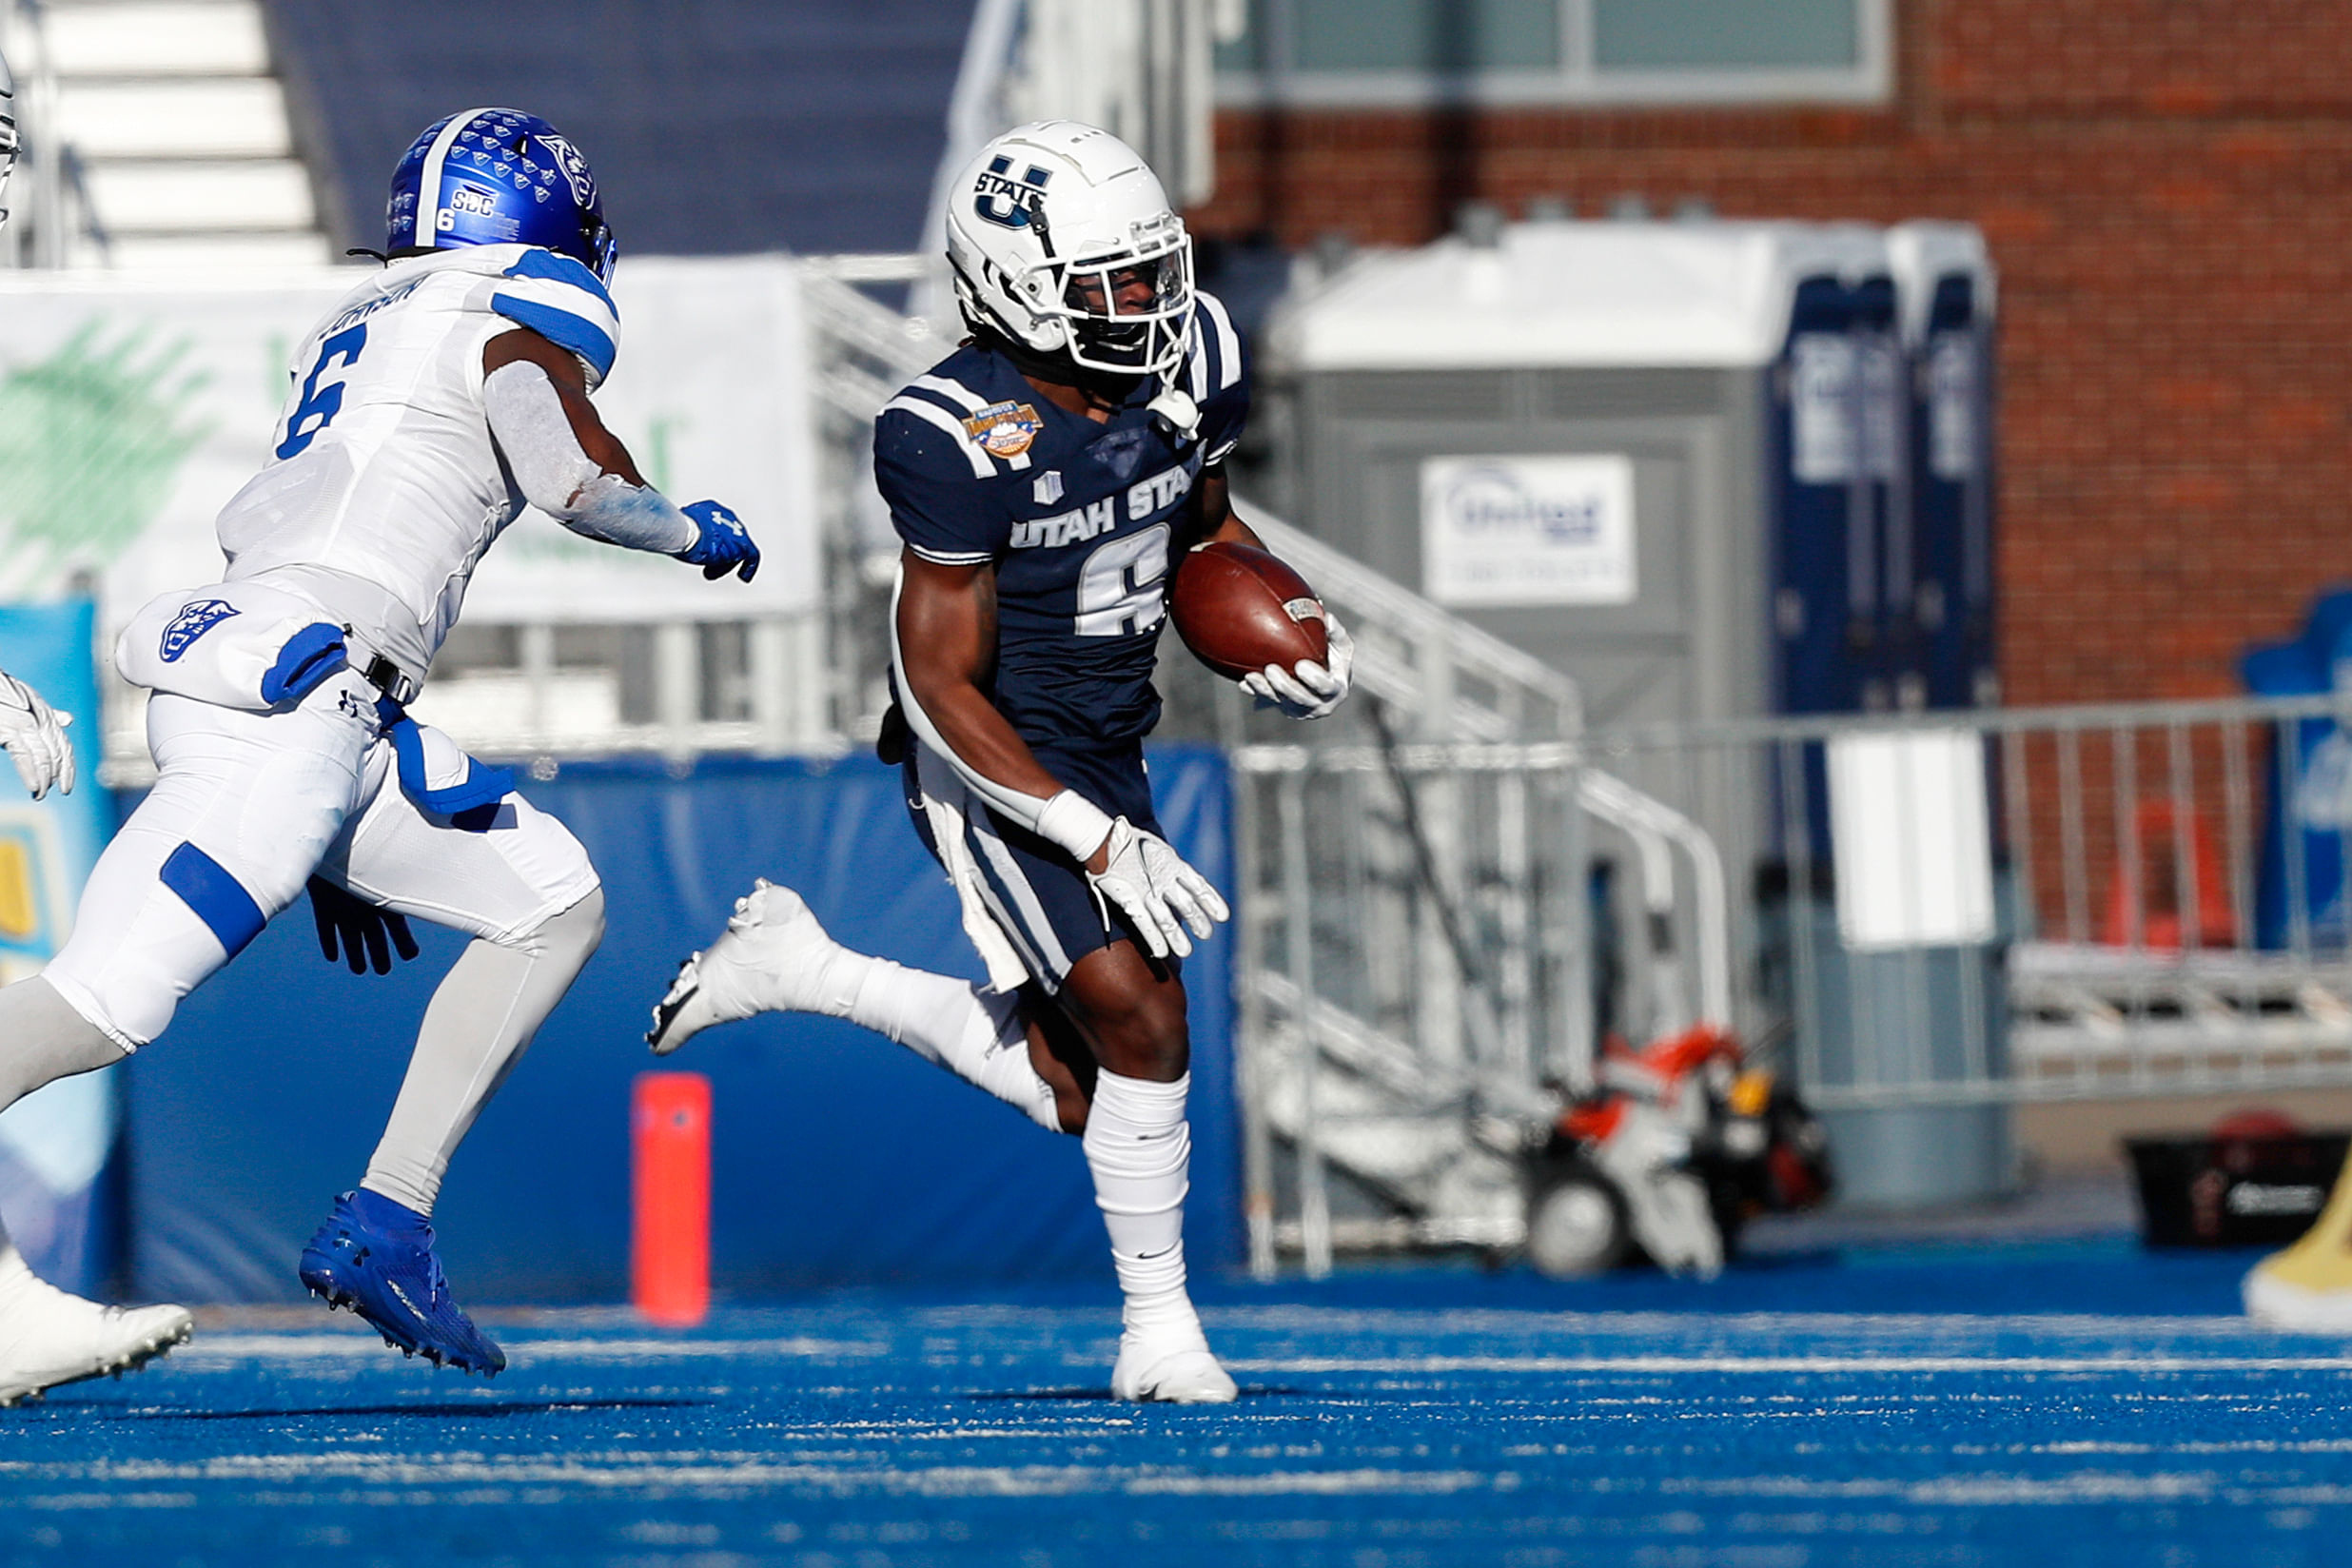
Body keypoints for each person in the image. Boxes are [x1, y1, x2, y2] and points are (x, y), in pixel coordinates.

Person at [0, 107, 760, 1404]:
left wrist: (341, 835)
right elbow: (571, 475)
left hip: (320, 689)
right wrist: (688, 526)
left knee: (548, 899)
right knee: (114, 995)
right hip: (296, 697)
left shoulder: (377, 322)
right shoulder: (512, 322)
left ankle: (389, 1219)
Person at [647, 121, 1351, 1403]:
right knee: (1146, 1016)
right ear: (1016, 286)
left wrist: (1276, 620)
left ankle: (806, 968)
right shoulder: (952, 431)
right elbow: (935, 678)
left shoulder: (1192, 356)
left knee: (1091, 1090)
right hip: (991, 754)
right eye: (1112, 285)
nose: (1149, 306)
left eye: (1153, 273)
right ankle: (1161, 1334)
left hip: (1116, 731)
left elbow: (1206, 526)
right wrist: (1088, 832)